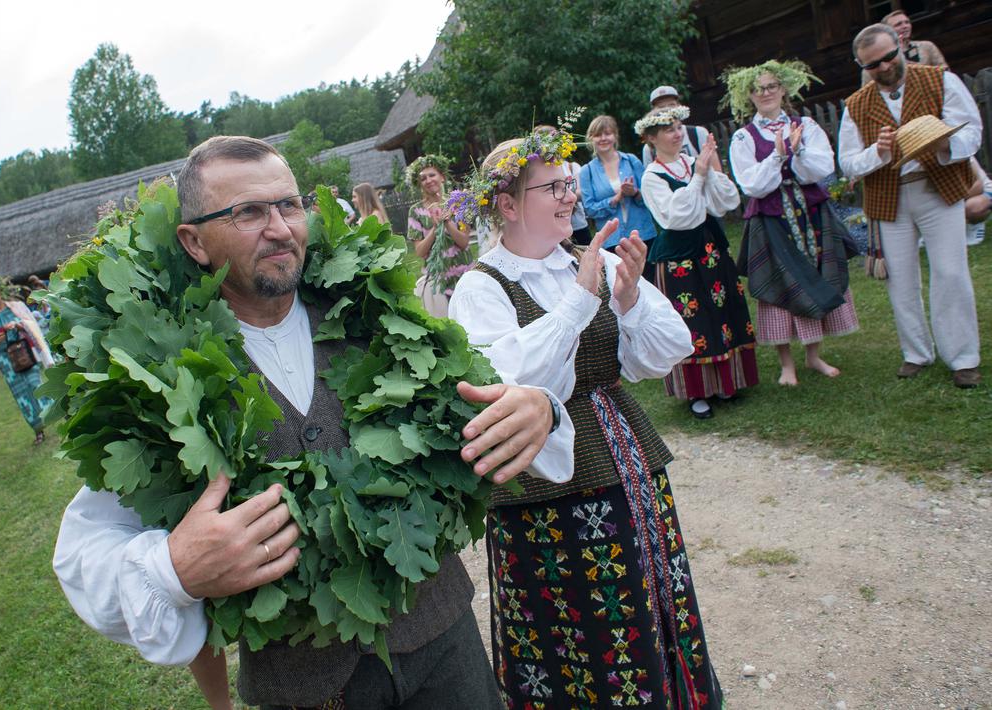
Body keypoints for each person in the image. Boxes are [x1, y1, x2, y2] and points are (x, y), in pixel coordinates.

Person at [53, 135, 568, 710]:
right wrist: (173, 568)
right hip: (302, 685)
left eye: (289, 205)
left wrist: (539, 405)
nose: (279, 228)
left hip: (445, 648)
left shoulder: (378, 314)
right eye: (248, 212)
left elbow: (480, 400)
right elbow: (82, 550)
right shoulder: (154, 375)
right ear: (193, 242)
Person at [447, 125, 723, 708]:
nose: (571, 195)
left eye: (571, 183)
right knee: (584, 626)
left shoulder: (582, 261)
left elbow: (669, 347)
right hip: (543, 478)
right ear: (508, 205)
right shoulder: (482, 286)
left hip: (626, 454)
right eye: (554, 187)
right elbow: (506, 382)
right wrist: (578, 300)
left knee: (653, 592)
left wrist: (625, 298)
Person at [839, 23, 983, 388]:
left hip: (939, 189)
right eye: (873, 64)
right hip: (890, 198)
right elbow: (849, 163)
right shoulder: (856, 105)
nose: (884, 67)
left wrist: (939, 144)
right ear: (862, 65)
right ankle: (916, 353)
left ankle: (963, 358)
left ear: (901, 47)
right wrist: (880, 152)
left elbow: (972, 131)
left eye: (889, 57)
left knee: (951, 273)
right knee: (901, 281)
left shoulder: (940, 81)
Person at [725, 59, 860, 386]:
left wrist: (797, 152)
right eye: (758, 89)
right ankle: (787, 364)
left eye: (772, 86)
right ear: (750, 97)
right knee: (778, 283)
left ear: (783, 89)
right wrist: (778, 155)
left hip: (809, 213)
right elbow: (752, 185)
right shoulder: (744, 138)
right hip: (771, 219)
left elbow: (823, 168)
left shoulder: (806, 126)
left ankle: (813, 355)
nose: (766, 93)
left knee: (815, 274)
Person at [639, 107, 759, 419]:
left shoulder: (692, 162)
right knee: (692, 321)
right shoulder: (652, 176)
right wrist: (700, 177)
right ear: (652, 139)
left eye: (679, 127)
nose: (677, 133)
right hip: (680, 259)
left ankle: (726, 381)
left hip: (710, 250)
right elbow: (676, 218)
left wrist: (705, 172)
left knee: (721, 311)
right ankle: (696, 392)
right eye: (668, 130)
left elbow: (725, 201)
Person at [0, 286, 56, 443]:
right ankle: (38, 430)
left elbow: (33, 326)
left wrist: (18, 325)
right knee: (22, 396)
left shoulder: (16, 307)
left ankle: (54, 413)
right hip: (7, 361)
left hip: (25, 352)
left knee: (36, 385)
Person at [403, 154, 473, 317]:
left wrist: (447, 222)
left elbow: (464, 242)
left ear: (442, 177)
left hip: (465, 276)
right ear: (419, 184)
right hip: (438, 282)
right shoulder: (416, 211)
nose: (428, 180)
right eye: (423, 178)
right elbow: (420, 252)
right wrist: (435, 228)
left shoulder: (458, 202)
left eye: (432, 175)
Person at [580, 114, 658, 250]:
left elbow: (650, 198)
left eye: (608, 133)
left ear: (615, 136)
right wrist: (616, 198)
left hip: (642, 234)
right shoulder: (587, 171)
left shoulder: (632, 161)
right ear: (591, 139)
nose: (603, 138)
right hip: (611, 240)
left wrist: (634, 192)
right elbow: (590, 209)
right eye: (598, 135)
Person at [861, 10, 947, 85]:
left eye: (907, 22)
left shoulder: (927, 46)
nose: (905, 26)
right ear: (887, 31)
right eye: (898, 24)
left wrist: (919, 68)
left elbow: (945, 72)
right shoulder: (876, 60)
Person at [642, 86, 712, 165]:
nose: (667, 110)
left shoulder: (698, 133)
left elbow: (716, 171)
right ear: (653, 111)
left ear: (679, 106)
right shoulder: (649, 149)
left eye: (671, 105)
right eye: (661, 107)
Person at [964, 159, 991, 246]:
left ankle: (975, 224)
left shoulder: (964, 155)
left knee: (972, 207)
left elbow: (978, 186)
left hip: (985, 191)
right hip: (957, 195)